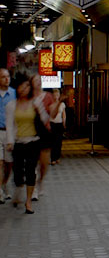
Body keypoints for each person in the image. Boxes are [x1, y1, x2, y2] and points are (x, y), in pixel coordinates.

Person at [5, 76, 49, 214]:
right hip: (18, 143)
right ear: (17, 88)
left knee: (31, 171)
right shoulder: (12, 105)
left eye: (27, 86)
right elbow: (10, 125)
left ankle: (28, 201)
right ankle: (18, 189)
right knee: (17, 172)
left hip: (33, 141)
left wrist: (39, 110)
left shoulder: (35, 102)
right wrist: (10, 141)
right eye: (22, 86)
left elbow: (45, 119)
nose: (24, 89)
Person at [31, 74, 53, 198]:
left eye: (39, 80)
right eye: (35, 80)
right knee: (32, 161)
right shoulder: (28, 97)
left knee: (44, 163)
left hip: (45, 131)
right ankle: (33, 187)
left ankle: (40, 181)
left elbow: (52, 113)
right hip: (31, 130)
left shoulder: (48, 96)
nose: (38, 82)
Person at [0, 68, 16, 203]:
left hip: (9, 131)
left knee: (8, 163)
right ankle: (0, 191)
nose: (6, 79)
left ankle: (5, 184)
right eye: (3, 77)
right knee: (0, 162)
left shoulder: (13, 94)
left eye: (8, 76)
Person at [50, 89, 66, 164]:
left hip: (59, 123)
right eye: (55, 95)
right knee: (52, 141)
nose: (56, 96)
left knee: (59, 141)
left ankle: (57, 157)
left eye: (57, 95)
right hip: (52, 123)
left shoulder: (62, 104)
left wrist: (64, 123)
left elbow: (63, 114)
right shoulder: (50, 104)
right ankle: (52, 158)